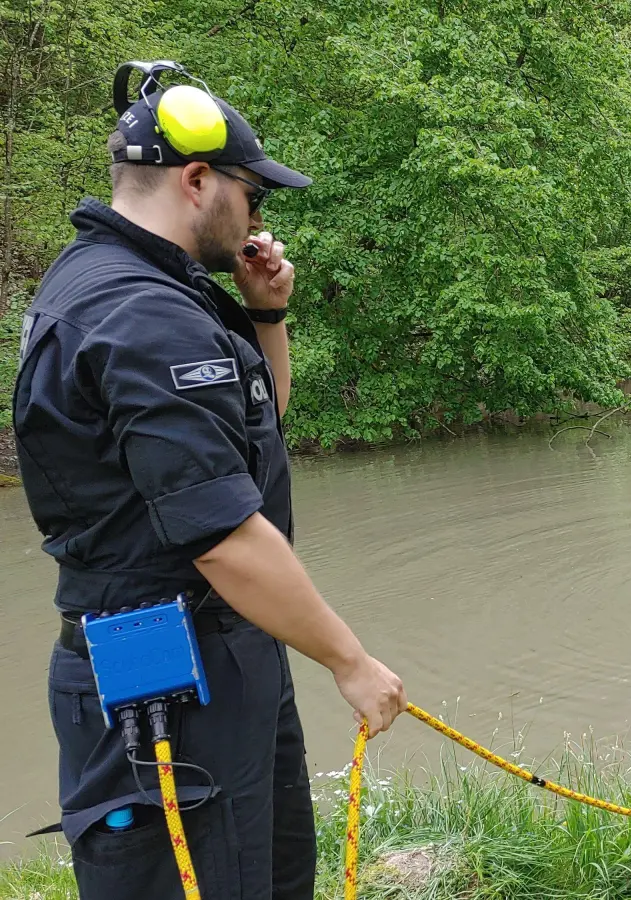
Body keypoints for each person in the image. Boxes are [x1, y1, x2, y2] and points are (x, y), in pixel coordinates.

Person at [12, 63, 405, 899]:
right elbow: (221, 534)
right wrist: (350, 660)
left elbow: (251, 439)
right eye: (251, 196)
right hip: (169, 682)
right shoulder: (139, 314)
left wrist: (266, 315)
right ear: (196, 181)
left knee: (270, 877)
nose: (258, 219)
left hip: (222, 655)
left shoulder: (145, 286)